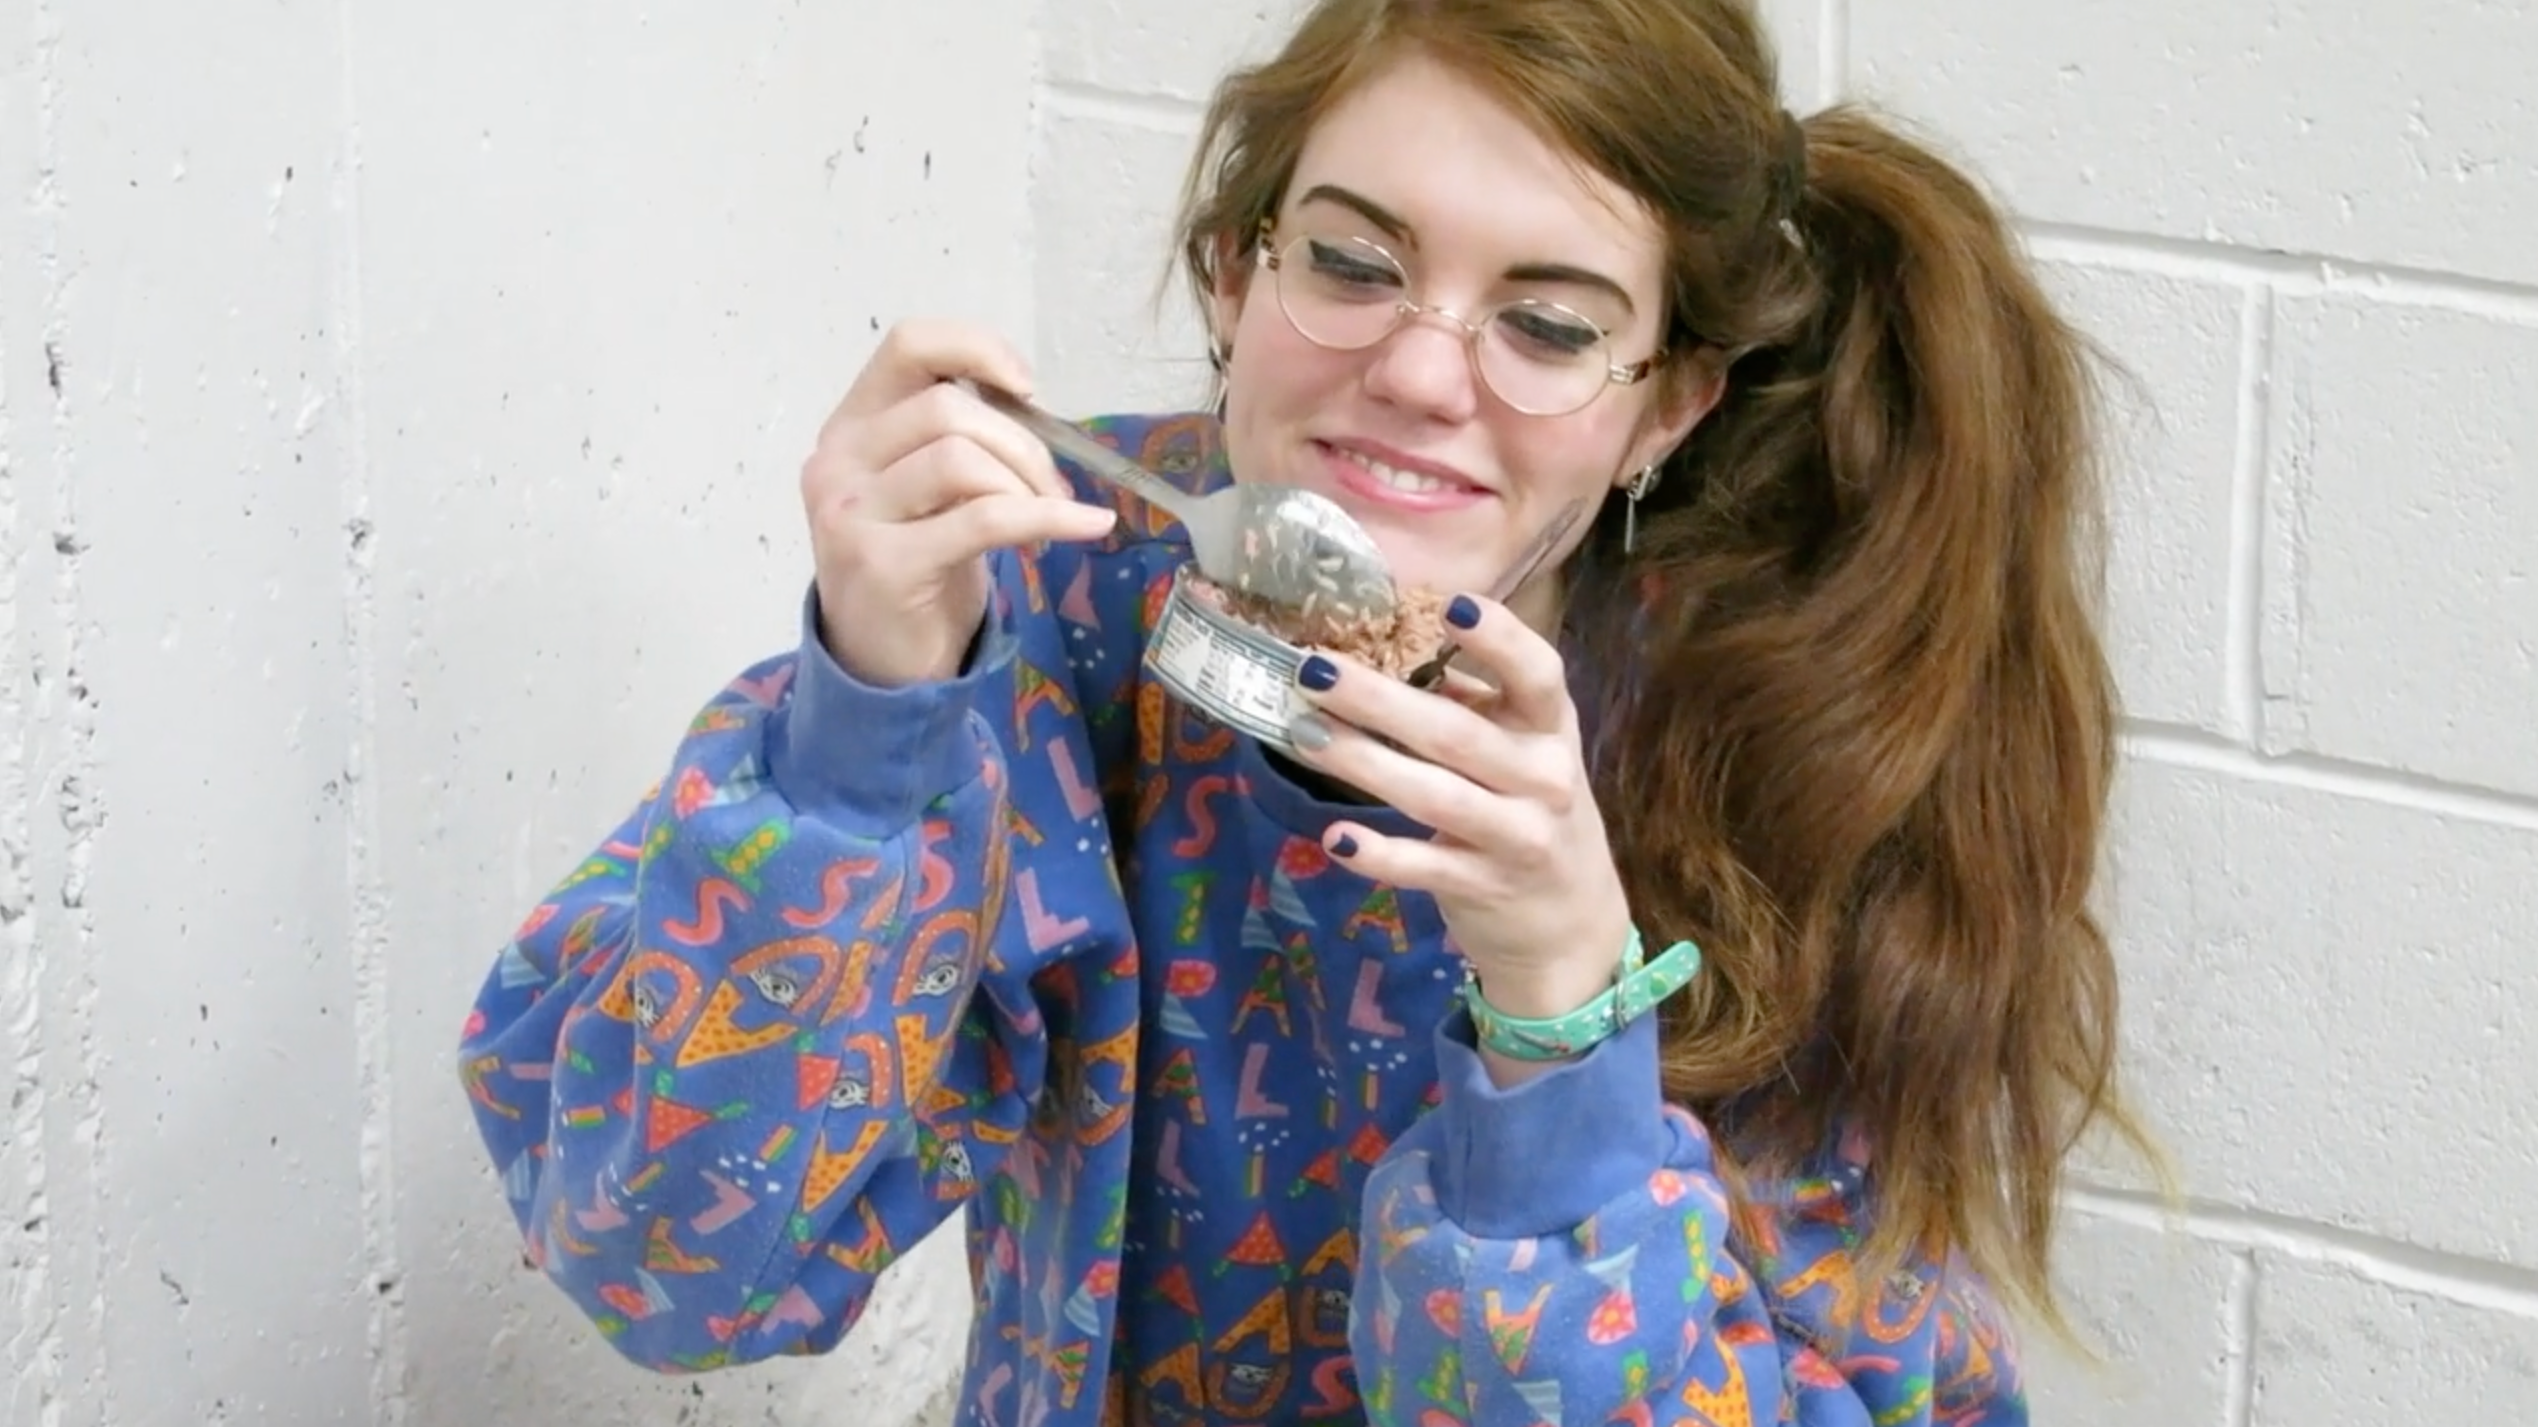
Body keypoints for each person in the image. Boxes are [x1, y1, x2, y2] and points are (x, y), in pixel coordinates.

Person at [456, 0, 2161, 1421]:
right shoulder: (1048, 606)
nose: (1417, 371)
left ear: (1666, 408)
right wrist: (861, 735)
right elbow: (663, 1263)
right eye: (1350, 263)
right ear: (1230, 271)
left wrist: (1559, 1017)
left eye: (1547, 325)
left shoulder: (1769, 751)